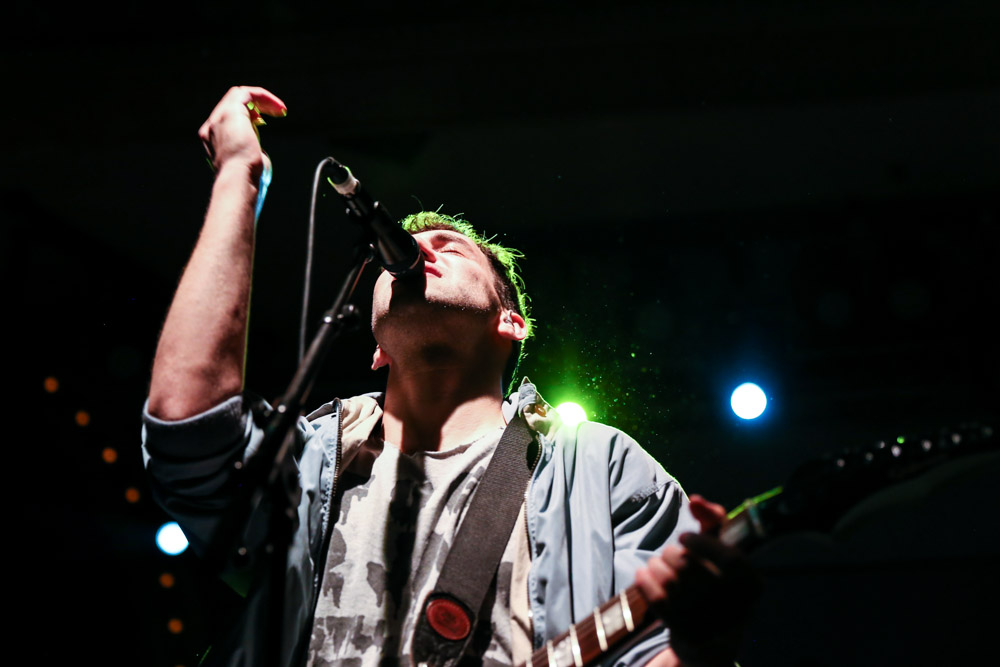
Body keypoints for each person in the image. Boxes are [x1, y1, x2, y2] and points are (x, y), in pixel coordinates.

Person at [142, 86, 758, 667]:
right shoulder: (311, 457)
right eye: (405, 253)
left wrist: (704, 640)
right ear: (378, 350)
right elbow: (186, 429)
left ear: (511, 323)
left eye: (452, 248)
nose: (420, 251)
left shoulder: (600, 468)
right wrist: (238, 179)